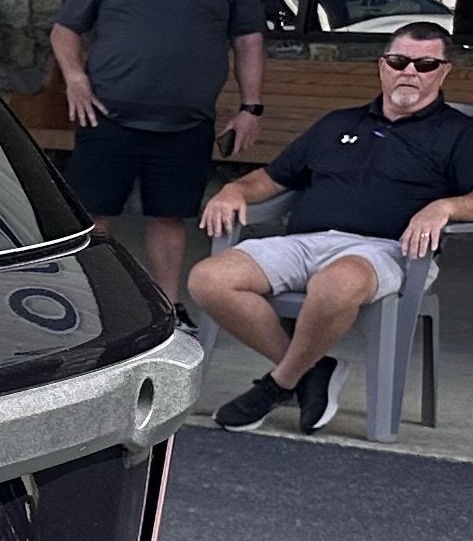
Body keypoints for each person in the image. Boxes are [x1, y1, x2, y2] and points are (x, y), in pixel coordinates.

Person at [191, 24, 473, 432]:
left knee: (337, 282)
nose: (410, 72)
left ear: (443, 72)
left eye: (425, 63)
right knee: (209, 278)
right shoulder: (338, 122)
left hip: (390, 252)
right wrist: (235, 190)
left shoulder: (458, 134)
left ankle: (277, 385)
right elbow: (273, 178)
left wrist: (444, 206)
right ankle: (311, 371)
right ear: (382, 67)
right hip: (307, 243)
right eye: (399, 61)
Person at [51, 0, 269, 297]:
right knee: (91, 218)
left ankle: (167, 308)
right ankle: (94, 304)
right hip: (107, 115)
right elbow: (65, 29)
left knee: (169, 219)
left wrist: (251, 107)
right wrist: (74, 78)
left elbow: (249, 40)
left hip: (186, 123)